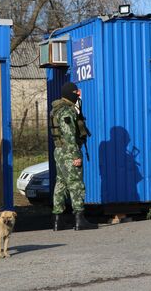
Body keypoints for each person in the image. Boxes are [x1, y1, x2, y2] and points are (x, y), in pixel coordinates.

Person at [50, 82, 97, 231]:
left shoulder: (56, 109)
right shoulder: (66, 111)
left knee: (61, 183)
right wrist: (76, 155)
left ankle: (58, 220)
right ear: (70, 94)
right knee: (76, 183)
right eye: (76, 93)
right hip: (69, 151)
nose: (78, 96)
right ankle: (79, 219)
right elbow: (70, 135)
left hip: (59, 151)